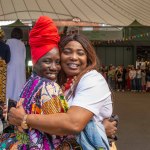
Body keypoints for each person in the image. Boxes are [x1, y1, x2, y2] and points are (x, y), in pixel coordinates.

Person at [7, 17, 117, 149]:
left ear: (88, 58)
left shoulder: (92, 79)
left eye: (80, 53)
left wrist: (25, 118)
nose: (74, 57)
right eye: (67, 52)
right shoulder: (57, 83)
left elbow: (72, 125)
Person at [6, 27, 26, 101]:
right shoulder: (22, 44)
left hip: (11, 65)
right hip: (20, 67)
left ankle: (8, 101)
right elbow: (24, 57)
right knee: (19, 84)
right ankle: (18, 101)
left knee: (10, 83)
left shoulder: (8, 42)